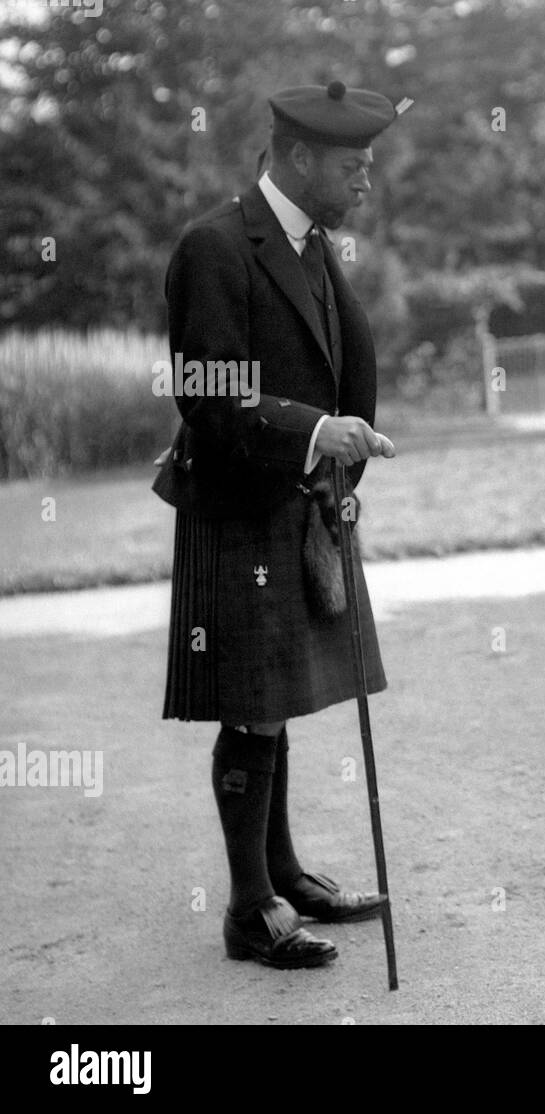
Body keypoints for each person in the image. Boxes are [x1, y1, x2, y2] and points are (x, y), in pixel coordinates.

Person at [153, 81, 403, 967]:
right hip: (239, 507)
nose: (365, 179)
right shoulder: (215, 248)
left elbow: (346, 356)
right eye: (352, 164)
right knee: (252, 708)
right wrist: (313, 431)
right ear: (298, 158)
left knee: (279, 702)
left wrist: (345, 463)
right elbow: (209, 391)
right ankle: (248, 908)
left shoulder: (310, 245)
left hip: (300, 502)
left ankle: (286, 871)